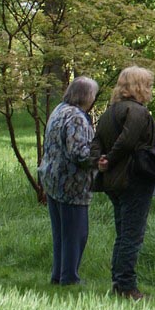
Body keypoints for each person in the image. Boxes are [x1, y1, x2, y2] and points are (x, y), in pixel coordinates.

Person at [91, 66, 155, 300]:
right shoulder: (138, 112)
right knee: (132, 235)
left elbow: (97, 141)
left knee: (123, 234)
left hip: (113, 181)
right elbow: (127, 141)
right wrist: (108, 159)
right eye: (148, 85)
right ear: (139, 87)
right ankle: (127, 287)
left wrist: (100, 160)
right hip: (133, 179)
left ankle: (119, 284)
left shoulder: (110, 112)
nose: (150, 90)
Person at [38, 76, 100, 286]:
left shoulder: (59, 110)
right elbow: (79, 153)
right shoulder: (76, 117)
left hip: (52, 179)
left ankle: (59, 275)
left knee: (61, 234)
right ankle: (69, 278)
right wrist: (100, 158)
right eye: (93, 95)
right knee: (76, 234)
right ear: (86, 96)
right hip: (71, 184)